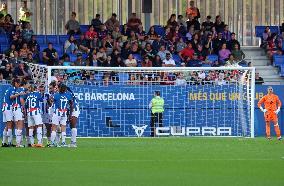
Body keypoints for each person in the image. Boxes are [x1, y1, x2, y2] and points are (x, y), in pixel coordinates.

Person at [1, 79, 20, 147]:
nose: (18, 85)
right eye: (18, 83)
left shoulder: (8, 89)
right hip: (8, 108)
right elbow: (11, 97)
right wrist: (19, 94)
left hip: (4, 108)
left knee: (7, 126)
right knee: (10, 125)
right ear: (15, 83)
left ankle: (3, 142)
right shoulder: (12, 88)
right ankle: (9, 142)